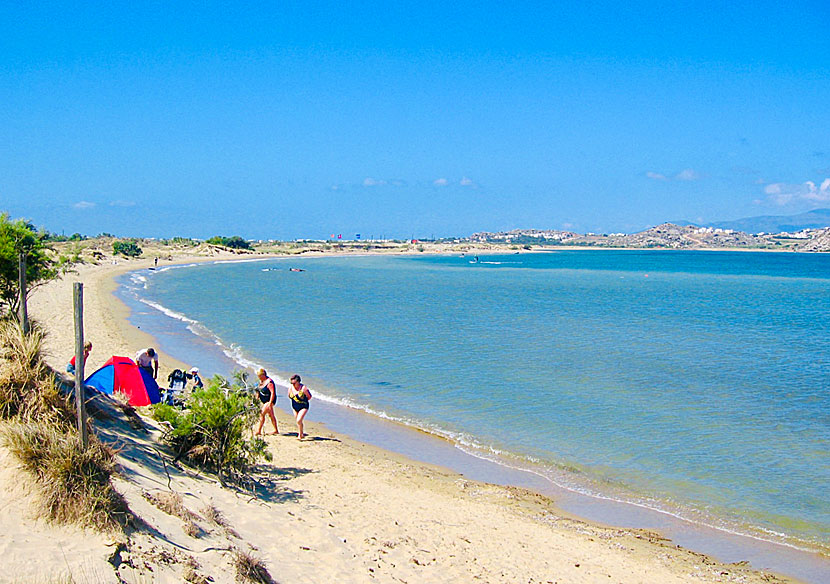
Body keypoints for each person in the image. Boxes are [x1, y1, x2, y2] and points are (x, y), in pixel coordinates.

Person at [255, 368, 279, 436]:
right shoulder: (261, 382)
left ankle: (259, 430)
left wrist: (270, 403)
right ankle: (276, 430)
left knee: (262, 414)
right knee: (271, 415)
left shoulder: (269, 382)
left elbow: (273, 393)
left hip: (269, 401)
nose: (259, 378)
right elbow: (258, 390)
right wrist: (257, 398)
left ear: (263, 375)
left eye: (259, 376)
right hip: (264, 401)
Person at [288, 374, 312, 440]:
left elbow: (309, 397)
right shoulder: (291, 388)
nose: (293, 384)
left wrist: (302, 399)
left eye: (294, 383)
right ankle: (301, 434)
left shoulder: (303, 388)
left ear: (298, 382)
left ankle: (299, 435)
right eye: (291, 383)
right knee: (298, 421)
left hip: (303, 406)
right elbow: (289, 396)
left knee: (299, 420)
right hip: (295, 406)